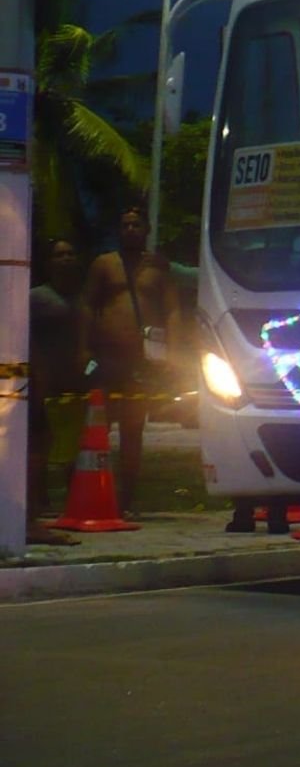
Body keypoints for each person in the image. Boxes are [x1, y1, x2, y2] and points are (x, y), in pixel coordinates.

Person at [81, 204, 179, 518]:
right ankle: (85, 492)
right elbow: (87, 305)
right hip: (108, 358)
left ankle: (127, 499)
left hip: (143, 362)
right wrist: (84, 349)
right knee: (96, 425)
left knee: (133, 429)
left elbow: (173, 310)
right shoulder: (104, 264)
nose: (130, 230)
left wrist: (173, 351)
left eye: (136, 225)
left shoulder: (159, 269)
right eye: (125, 225)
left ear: (147, 229)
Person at [26, 237, 85, 546]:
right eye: (58, 254)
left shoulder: (81, 297)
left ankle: (63, 511)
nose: (65, 259)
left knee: (66, 450)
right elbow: (23, 336)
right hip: (36, 385)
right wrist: (37, 373)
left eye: (70, 253)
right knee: (35, 451)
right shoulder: (36, 298)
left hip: (71, 387)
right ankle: (29, 520)